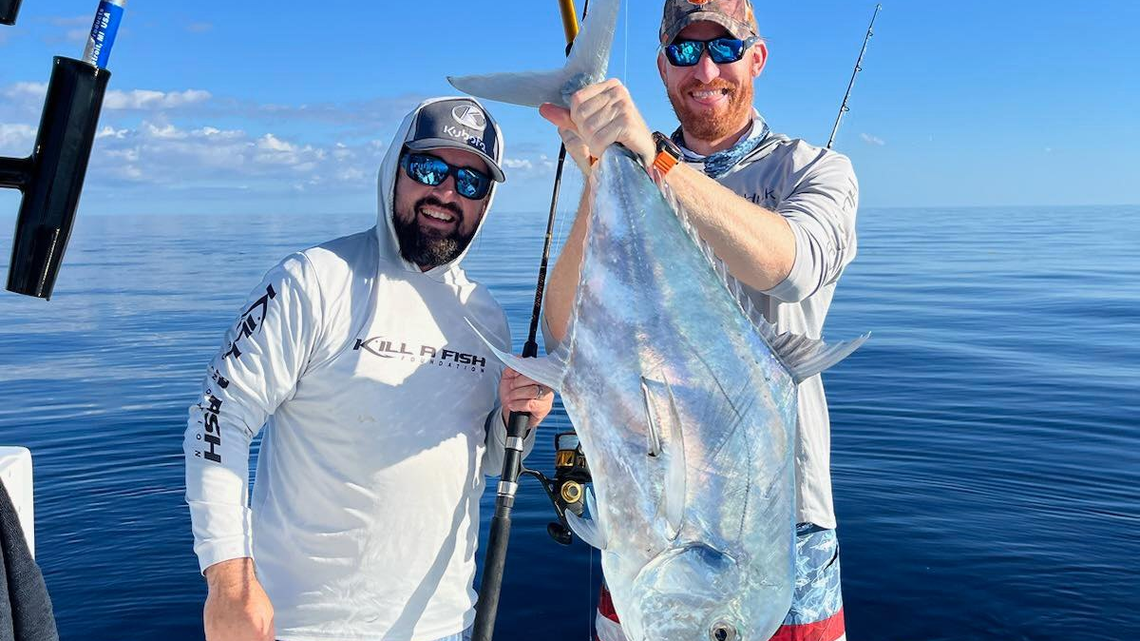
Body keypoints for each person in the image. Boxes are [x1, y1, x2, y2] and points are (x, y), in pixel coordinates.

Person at [540, 1, 859, 640]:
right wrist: (602, 177)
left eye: (726, 48)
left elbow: (789, 267)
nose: (705, 67)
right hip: (646, 517)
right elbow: (563, 329)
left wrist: (655, 164)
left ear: (758, 58)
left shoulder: (814, 170)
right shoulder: (623, 160)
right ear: (663, 67)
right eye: (685, 51)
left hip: (780, 522)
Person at [183, 96, 555, 641]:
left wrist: (516, 419)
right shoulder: (312, 281)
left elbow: (484, 465)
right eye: (429, 168)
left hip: (444, 626)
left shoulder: (487, 318)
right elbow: (217, 419)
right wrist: (230, 586)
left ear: (486, 201)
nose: (447, 193)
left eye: (471, 183)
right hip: (299, 628)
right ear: (394, 168)